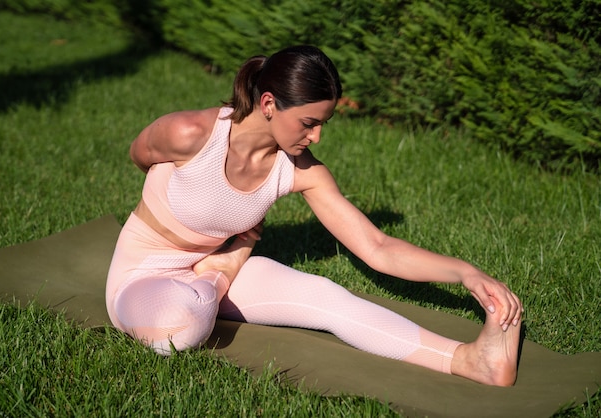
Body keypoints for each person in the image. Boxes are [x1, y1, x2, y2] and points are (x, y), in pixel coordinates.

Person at [106, 45, 523, 387]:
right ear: (268, 103)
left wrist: (467, 272)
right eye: (309, 123)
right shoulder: (189, 134)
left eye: (323, 124)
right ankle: (219, 271)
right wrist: (219, 245)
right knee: (177, 332)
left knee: (327, 297)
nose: (317, 137)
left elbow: (378, 247)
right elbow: (139, 155)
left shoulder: (300, 170)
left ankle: (472, 361)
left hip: (213, 264)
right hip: (145, 273)